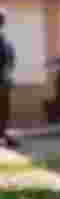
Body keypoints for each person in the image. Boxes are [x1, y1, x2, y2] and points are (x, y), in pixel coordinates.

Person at [0, 10, 17, 148]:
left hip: (3, 83)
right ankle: (4, 135)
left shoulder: (6, 44)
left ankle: (3, 135)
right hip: (3, 83)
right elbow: (10, 63)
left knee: (4, 110)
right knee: (4, 110)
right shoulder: (6, 44)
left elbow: (10, 63)